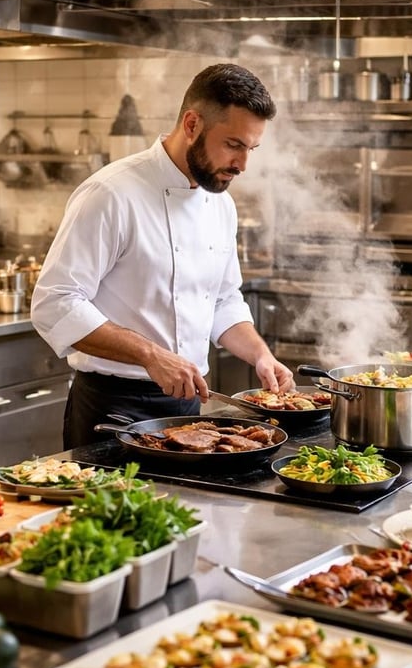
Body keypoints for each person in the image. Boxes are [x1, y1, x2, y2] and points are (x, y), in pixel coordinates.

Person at [31, 63, 294, 449]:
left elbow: (222, 299)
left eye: (251, 148)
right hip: (114, 407)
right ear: (191, 125)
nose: (242, 165)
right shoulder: (111, 193)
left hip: (190, 409)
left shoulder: (220, 204)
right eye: (233, 145)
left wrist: (260, 355)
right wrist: (151, 355)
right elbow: (54, 304)